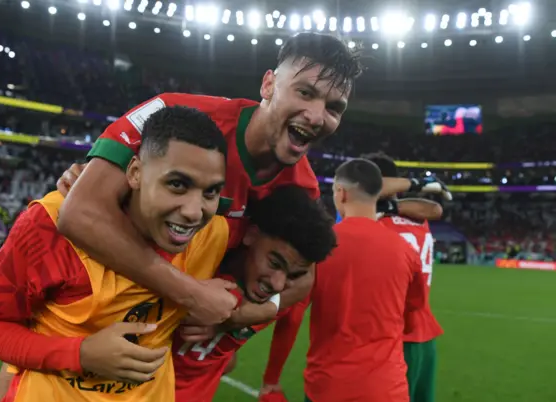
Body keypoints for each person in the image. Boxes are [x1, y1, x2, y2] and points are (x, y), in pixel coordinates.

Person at [53, 32, 370, 326]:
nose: (316, 116)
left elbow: (304, 275)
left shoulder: (301, 189)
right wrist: (190, 294)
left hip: (163, 340)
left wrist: (243, 315)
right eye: (305, 92)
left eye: (334, 108)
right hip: (80, 308)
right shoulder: (170, 113)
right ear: (268, 85)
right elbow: (79, 214)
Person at [0, 106, 233, 402]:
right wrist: (80, 354)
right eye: (176, 184)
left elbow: (289, 263)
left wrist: (243, 311)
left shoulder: (215, 235)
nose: (194, 211)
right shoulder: (50, 225)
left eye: (211, 191)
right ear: (134, 172)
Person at [173, 185, 337, 402]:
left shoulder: (264, 298)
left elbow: (305, 282)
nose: (279, 284)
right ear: (250, 234)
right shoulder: (197, 262)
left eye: (293, 275)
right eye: (274, 262)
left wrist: (235, 320)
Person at [306, 159, 427, 402]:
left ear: (341, 193)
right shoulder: (406, 251)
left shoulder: (318, 248)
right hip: (385, 394)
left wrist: (272, 377)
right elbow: (415, 307)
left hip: (328, 390)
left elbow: (291, 314)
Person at [365, 153, 444, 402]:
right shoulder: (418, 219)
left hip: (391, 338)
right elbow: (435, 209)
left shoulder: (374, 222)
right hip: (424, 336)